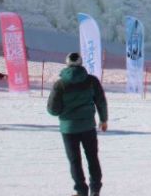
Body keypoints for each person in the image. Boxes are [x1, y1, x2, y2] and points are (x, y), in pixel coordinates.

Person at [47, 52, 108, 196]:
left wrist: (64, 111)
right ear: (81, 63)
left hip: (68, 128)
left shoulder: (60, 84)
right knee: (92, 157)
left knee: (74, 160)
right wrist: (103, 119)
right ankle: (95, 190)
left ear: (67, 63)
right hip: (88, 126)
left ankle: (81, 191)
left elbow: (52, 110)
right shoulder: (92, 81)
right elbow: (100, 101)